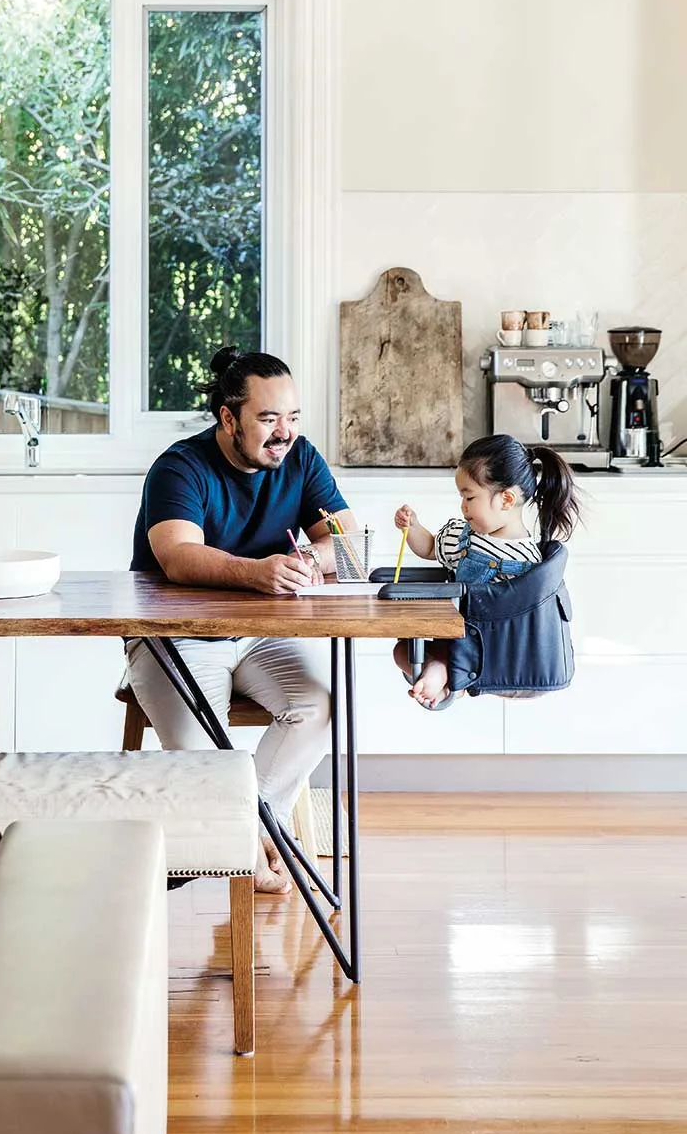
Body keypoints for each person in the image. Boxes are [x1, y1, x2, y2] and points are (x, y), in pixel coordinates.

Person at [127, 346, 358, 894]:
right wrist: (258, 572)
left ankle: (243, 837)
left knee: (321, 705)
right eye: (269, 418)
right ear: (228, 418)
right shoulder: (179, 467)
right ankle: (251, 845)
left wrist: (309, 560)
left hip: (262, 635)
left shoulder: (301, 459)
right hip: (173, 638)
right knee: (205, 756)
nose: (285, 432)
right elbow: (177, 557)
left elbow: (347, 546)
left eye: (294, 417)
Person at [392, 433, 580, 710]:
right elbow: (430, 548)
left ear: (506, 499)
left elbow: (527, 626)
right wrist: (413, 528)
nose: (462, 506)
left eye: (469, 497)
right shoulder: (464, 537)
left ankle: (449, 677)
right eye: (461, 497)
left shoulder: (530, 562)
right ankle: (442, 670)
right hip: (458, 639)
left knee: (449, 646)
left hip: (501, 654)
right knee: (402, 650)